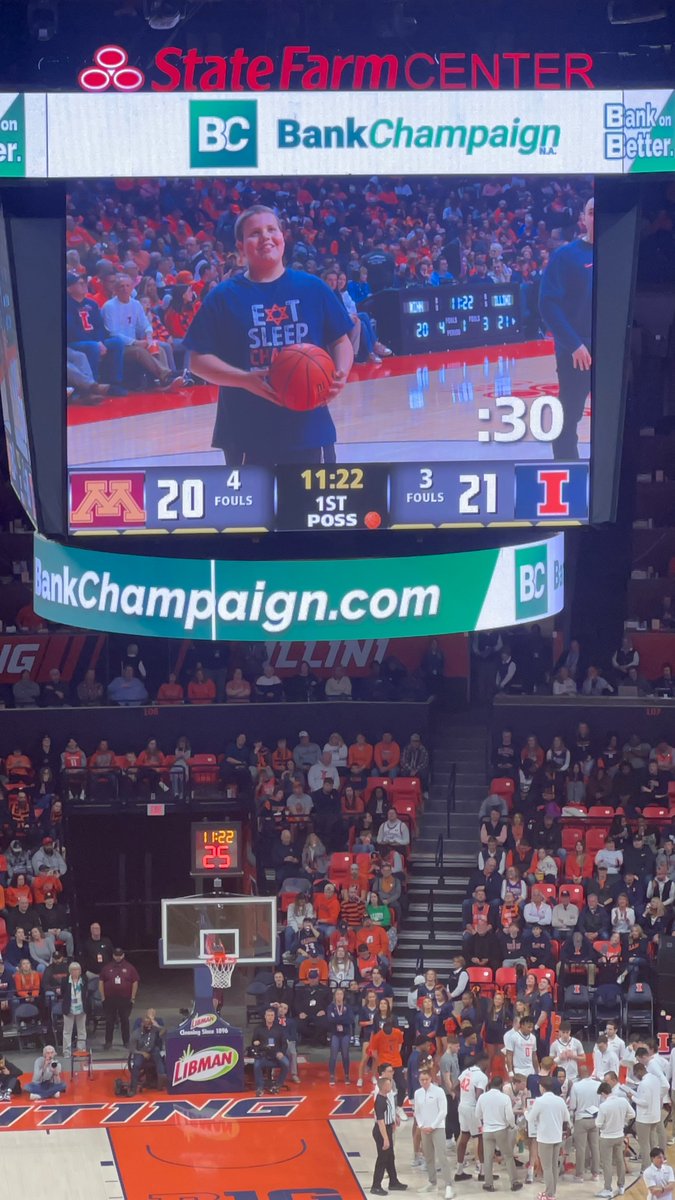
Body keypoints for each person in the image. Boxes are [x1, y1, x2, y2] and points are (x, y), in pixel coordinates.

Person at [184, 205, 353, 466]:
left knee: (309, 507)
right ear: (240, 247)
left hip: (309, 429)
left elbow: (341, 340)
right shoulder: (223, 296)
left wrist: (340, 374)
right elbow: (196, 361)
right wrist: (244, 379)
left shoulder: (313, 287)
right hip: (246, 432)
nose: (265, 237)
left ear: (282, 238)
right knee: (252, 508)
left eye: (271, 229)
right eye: (255, 233)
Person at [538, 195, 593, 460]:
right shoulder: (565, 256)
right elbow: (548, 305)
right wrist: (574, 344)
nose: (596, 217)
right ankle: (565, 469)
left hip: (612, 348)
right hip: (576, 349)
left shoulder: (620, 253)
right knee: (569, 416)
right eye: (591, 212)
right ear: (583, 218)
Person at [475, 1075, 521, 1192]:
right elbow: (509, 1116)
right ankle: (514, 1182)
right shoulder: (504, 1098)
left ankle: (488, 1183)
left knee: (488, 1157)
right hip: (501, 1130)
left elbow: (477, 1115)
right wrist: (511, 1125)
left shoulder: (482, 1097)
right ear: (501, 1085)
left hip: (487, 1131)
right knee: (508, 1156)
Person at [414, 1066, 455, 1198]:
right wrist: (421, 1126)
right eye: (422, 1080)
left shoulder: (439, 1092)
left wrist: (433, 1125)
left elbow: (443, 1111)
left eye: (426, 1079)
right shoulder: (417, 1093)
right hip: (424, 1129)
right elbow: (417, 1111)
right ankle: (432, 1182)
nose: (424, 1082)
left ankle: (449, 1185)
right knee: (428, 1157)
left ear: (430, 1079)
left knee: (442, 1156)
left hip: (438, 1128)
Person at [528, 1076, 570, 1200]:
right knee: (553, 1167)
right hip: (557, 1137)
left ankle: (549, 1194)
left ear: (542, 1087)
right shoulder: (560, 1101)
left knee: (547, 1168)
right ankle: (551, 1192)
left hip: (545, 1139)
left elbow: (530, 1118)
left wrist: (526, 1112)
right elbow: (566, 1118)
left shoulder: (540, 1101)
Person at [595, 1079, 634, 1198]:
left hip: (607, 1137)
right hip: (619, 1135)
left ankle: (608, 1188)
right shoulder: (622, 1101)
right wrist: (623, 1121)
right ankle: (621, 1186)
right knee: (620, 1161)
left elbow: (598, 1124)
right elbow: (632, 1114)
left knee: (607, 1164)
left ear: (602, 1094)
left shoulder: (603, 1106)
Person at [371, 1070, 407, 1195]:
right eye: (389, 1084)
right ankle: (376, 1185)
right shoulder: (380, 1101)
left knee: (390, 1156)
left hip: (387, 1128)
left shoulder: (387, 1097)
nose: (391, 1085)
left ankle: (393, 1181)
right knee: (382, 1158)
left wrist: (394, 1119)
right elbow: (380, 1121)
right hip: (382, 1131)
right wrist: (386, 1138)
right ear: (384, 1086)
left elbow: (389, 1112)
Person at [455, 1055, 489, 1183]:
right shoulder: (482, 1076)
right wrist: (480, 1111)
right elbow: (478, 1095)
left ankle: (459, 1171)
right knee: (480, 1138)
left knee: (464, 1136)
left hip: (462, 1106)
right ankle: (482, 1172)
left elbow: (454, 1087)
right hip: (472, 1109)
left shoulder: (466, 1072)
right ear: (483, 1061)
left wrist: (463, 1099)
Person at [99, 948, 140, 1050]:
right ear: (113, 956)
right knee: (109, 1020)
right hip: (110, 999)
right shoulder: (107, 967)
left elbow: (135, 982)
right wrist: (103, 996)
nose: (118, 957)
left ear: (123, 955)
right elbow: (101, 981)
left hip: (125, 998)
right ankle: (108, 1042)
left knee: (125, 1020)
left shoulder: (129, 967)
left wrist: (133, 997)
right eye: (116, 955)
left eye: (120, 955)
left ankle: (126, 1041)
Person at [567, 1064, 601, 1183]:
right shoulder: (598, 1085)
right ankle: (595, 1174)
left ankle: (579, 1175)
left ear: (579, 1073)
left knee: (580, 1149)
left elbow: (573, 1106)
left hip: (581, 1119)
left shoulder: (576, 1086)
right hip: (595, 1119)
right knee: (595, 1147)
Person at [250, 1007, 289, 1096]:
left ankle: (277, 1085)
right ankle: (260, 1087)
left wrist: (281, 1052)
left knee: (286, 1064)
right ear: (265, 1016)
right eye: (268, 1015)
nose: (270, 1017)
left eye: (272, 1015)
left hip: (276, 1054)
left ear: (274, 1016)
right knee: (256, 1065)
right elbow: (253, 1042)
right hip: (263, 1054)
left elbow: (284, 1044)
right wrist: (255, 1043)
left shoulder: (280, 1028)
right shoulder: (258, 1029)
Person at [128, 1012, 166, 1094]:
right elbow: (132, 1049)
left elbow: (164, 1030)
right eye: (147, 1024)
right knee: (136, 1065)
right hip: (140, 1051)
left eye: (150, 1024)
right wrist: (142, 1053)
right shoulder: (136, 1034)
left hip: (152, 1049)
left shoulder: (153, 1029)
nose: (149, 1026)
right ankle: (133, 1088)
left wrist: (155, 1023)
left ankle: (161, 1079)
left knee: (158, 1054)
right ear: (142, 1024)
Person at [327, 987, 355, 1085]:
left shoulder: (348, 1007)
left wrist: (338, 1019)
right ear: (335, 996)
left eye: (341, 994)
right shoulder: (331, 1007)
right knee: (333, 1054)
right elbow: (330, 1019)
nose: (339, 996)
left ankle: (347, 1075)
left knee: (345, 1054)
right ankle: (331, 1075)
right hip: (335, 1033)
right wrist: (343, 1019)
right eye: (337, 994)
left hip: (345, 1033)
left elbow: (351, 1019)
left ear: (343, 996)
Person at [61, 961, 87, 1056]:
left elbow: (86, 992)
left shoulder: (84, 979)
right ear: (70, 971)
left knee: (82, 1030)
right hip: (69, 1008)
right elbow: (63, 993)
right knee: (67, 1031)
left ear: (80, 971)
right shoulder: (65, 980)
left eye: (77, 970)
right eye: (73, 970)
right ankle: (66, 1051)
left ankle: (81, 1050)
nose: (76, 972)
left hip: (81, 1008)